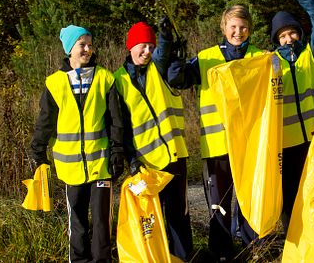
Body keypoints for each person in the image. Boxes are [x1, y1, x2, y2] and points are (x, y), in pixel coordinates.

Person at [168, 5, 262, 262]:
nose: (238, 32)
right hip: (217, 144)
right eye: (233, 27)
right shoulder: (206, 56)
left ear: (249, 28)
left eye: (243, 27)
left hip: (249, 144)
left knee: (248, 200)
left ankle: (250, 248)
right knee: (219, 202)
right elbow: (178, 80)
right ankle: (221, 252)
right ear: (223, 28)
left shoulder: (260, 57)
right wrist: (176, 57)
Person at [29, 24, 125, 263]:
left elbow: (115, 120)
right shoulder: (55, 83)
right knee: (78, 222)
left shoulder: (105, 78)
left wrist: (118, 151)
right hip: (71, 168)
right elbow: (45, 121)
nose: (88, 49)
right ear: (69, 49)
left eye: (90, 44)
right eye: (82, 44)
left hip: (101, 164)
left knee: (103, 222)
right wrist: (37, 151)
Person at [113, 19, 193, 261]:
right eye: (142, 46)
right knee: (152, 218)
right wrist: (132, 160)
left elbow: (163, 51)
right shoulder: (117, 81)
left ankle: (183, 258)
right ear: (130, 46)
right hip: (147, 163)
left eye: (150, 46)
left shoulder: (157, 68)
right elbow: (122, 126)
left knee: (179, 214)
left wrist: (165, 35)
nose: (147, 52)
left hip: (174, 155)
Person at [270, 0, 314, 229]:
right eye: (282, 36)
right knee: (289, 199)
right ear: (276, 40)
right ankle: (292, 247)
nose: (288, 39)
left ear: (299, 34)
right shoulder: (270, 63)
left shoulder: (311, 53)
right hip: (286, 145)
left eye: (291, 33)